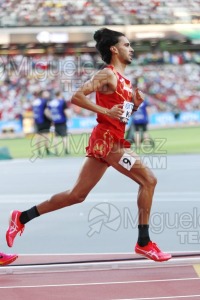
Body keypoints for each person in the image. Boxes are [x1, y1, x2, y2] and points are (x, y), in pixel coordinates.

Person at [6, 28, 171, 262]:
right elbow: (77, 96)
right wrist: (105, 110)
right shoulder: (108, 74)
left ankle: (21, 217)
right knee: (149, 180)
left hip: (109, 139)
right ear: (114, 49)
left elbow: (119, 116)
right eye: (126, 45)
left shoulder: (124, 81)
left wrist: (133, 106)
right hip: (109, 142)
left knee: (77, 195)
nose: (131, 48)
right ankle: (144, 243)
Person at [31, 90, 52, 158]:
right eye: (46, 93)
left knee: (38, 136)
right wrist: (51, 119)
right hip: (44, 121)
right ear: (42, 94)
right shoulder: (44, 101)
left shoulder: (35, 101)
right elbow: (46, 111)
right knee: (46, 136)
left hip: (37, 121)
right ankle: (47, 150)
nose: (47, 94)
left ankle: (39, 151)